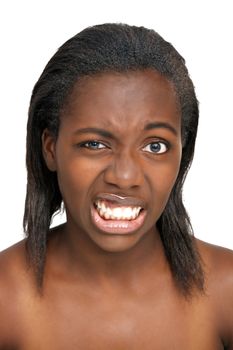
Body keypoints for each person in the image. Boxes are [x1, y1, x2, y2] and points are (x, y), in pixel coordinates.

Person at [0, 23, 232, 349]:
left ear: (184, 150)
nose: (124, 176)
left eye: (155, 146)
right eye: (95, 144)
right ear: (51, 148)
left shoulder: (225, 290)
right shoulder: (6, 297)